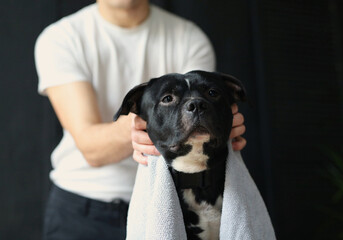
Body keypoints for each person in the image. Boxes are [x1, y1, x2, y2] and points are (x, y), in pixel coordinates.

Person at [35, 0, 246, 239]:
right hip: (84, 207)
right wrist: (141, 125)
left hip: (173, 198)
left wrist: (219, 121)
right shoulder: (62, 38)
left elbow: (197, 111)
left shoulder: (188, 37)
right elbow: (92, 149)